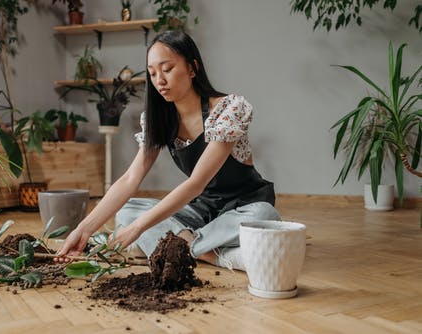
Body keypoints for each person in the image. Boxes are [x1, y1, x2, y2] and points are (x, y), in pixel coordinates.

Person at [55, 30, 280, 271]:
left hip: (244, 207)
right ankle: (210, 252)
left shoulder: (227, 109)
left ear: (192, 68)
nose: (159, 80)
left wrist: (137, 230)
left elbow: (196, 183)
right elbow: (130, 179)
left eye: (167, 69)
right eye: (152, 73)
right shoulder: (159, 119)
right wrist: (83, 230)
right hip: (202, 210)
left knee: (265, 216)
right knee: (129, 212)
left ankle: (182, 246)